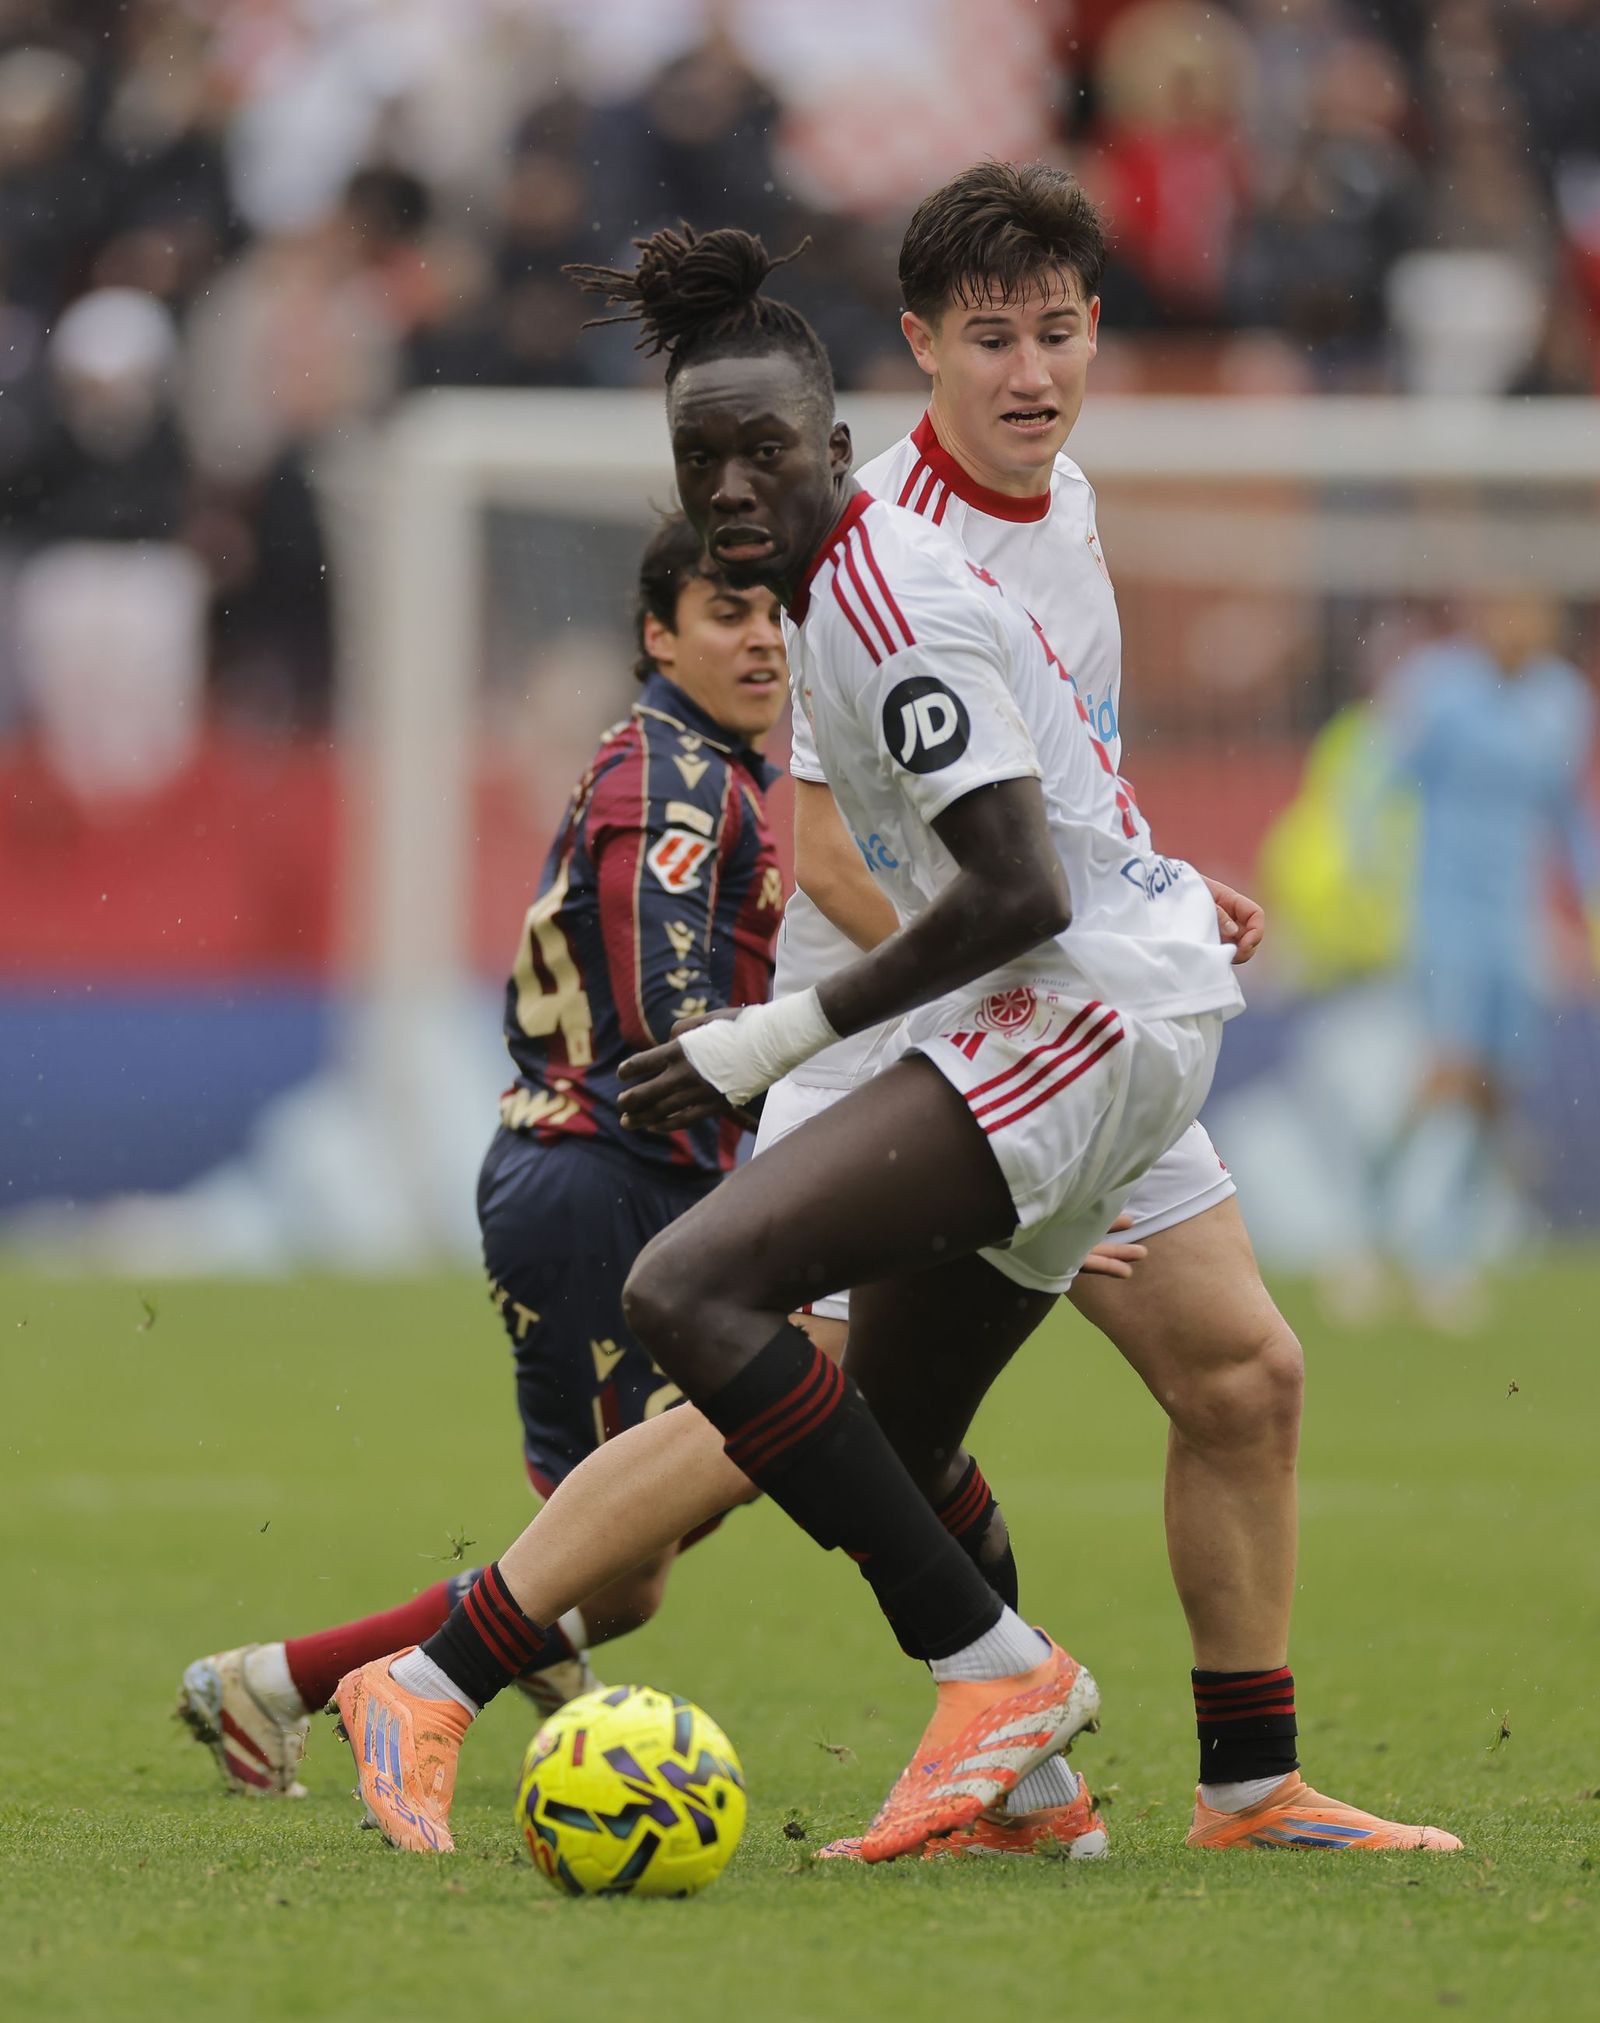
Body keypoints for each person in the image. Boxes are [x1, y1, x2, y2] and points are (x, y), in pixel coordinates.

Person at [330, 219, 1255, 1865]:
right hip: (1082, 1005)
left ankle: (1001, 1684)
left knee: (689, 1294)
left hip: (1084, 1014)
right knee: (871, 1433)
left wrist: (771, 1039)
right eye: (702, 460)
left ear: (837, 446)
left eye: (766, 450)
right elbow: (1059, 814)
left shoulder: (888, 596)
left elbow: (1020, 890)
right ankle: (1029, 1789)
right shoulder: (840, 593)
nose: (735, 487)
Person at [175, 515, 787, 1795]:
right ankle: (332, 1677)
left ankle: (306, 1679)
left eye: (776, 611)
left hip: (618, 1179)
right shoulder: (676, 783)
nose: (764, 637)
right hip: (608, 1183)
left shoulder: (694, 769)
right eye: (727, 613)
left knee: (686, 1505)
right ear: (657, 635)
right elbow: (665, 1014)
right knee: (643, 1542)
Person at [1380, 589, 1599, 1326]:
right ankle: (1392, 1232)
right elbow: (1384, 780)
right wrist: (1363, 869)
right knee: (1449, 1071)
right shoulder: (1441, 690)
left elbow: (1566, 809)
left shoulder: (1563, 701)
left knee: (1498, 1088)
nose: (1516, 625)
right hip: (1446, 912)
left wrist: (1589, 893)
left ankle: (1453, 1237)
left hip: (1516, 919)